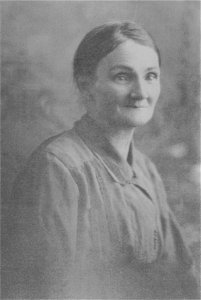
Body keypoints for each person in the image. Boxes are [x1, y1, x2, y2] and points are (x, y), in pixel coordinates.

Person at [2, 21, 199, 299]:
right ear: (86, 86)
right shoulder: (58, 167)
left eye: (151, 75)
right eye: (122, 76)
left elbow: (180, 276)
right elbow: (43, 288)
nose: (141, 92)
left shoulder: (145, 170)